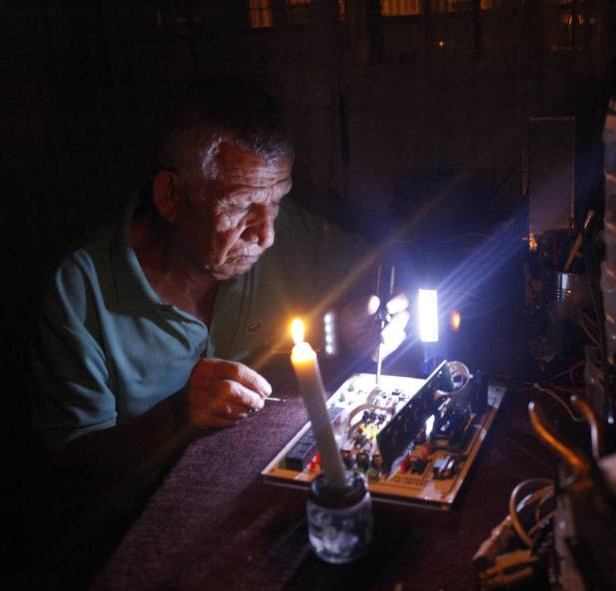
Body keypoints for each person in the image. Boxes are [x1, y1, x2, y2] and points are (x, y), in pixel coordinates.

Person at [30, 76, 409, 493]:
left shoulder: (290, 234)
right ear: (171, 196)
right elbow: (74, 462)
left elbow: (383, 267)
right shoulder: (80, 290)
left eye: (277, 200)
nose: (266, 234)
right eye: (240, 206)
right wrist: (179, 417)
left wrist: (367, 322)